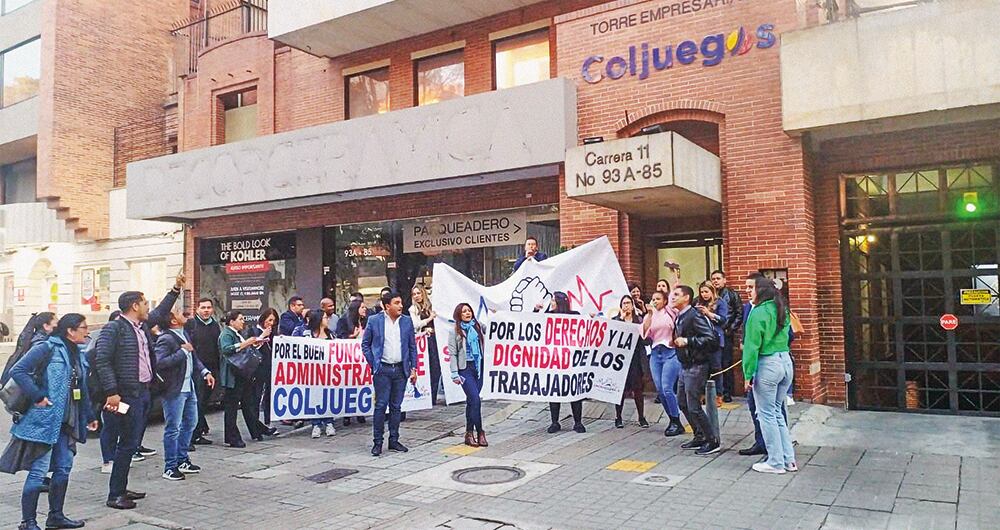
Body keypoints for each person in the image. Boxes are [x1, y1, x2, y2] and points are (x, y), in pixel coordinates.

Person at [94, 275, 183, 510]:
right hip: (125, 395)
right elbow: (102, 361)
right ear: (134, 306)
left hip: (143, 392)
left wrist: (175, 289)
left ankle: (121, 488)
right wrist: (111, 392)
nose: (147, 308)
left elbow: (161, 310)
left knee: (131, 443)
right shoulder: (114, 328)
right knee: (126, 443)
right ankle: (115, 495)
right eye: (144, 303)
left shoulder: (141, 326)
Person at [1, 314, 97, 530]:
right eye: (83, 327)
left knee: (63, 468)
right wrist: (37, 395)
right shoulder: (47, 348)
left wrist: (89, 415)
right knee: (38, 471)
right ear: (70, 331)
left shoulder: (78, 354)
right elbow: (18, 370)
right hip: (44, 421)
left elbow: (81, 388)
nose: (86, 331)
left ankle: (56, 517)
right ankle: (28, 522)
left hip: (67, 422)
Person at [743, 276, 796, 474]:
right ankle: (788, 459)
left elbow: (751, 346)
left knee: (765, 415)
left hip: (768, 364)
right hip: (785, 361)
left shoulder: (757, 312)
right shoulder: (781, 307)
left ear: (762, 290)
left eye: (752, 288)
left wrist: (748, 374)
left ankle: (774, 462)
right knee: (777, 413)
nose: (748, 292)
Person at [154, 309, 215, 481]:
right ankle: (170, 466)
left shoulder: (185, 334)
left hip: (189, 386)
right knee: (173, 427)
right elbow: (159, 363)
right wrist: (182, 352)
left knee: (191, 422)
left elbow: (194, 358)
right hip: (174, 389)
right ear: (173, 321)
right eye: (180, 313)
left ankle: (182, 459)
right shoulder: (166, 338)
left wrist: (204, 372)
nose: (184, 315)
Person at [361, 291, 418, 456]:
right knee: (380, 406)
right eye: (397, 303)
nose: (401, 306)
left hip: (401, 370)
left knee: (396, 406)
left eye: (401, 302)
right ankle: (377, 442)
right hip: (383, 370)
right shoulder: (374, 320)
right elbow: (365, 344)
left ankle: (394, 440)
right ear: (387, 306)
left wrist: (413, 368)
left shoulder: (406, 322)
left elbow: (412, 347)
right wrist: (374, 364)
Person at [671, 285, 721, 456]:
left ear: (686, 298)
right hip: (685, 364)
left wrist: (688, 340)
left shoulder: (694, 315)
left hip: (697, 365)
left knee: (694, 406)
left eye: (676, 294)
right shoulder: (680, 316)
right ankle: (699, 435)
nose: (672, 297)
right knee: (682, 403)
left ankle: (712, 440)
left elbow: (711, 339)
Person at [218, 310, 269, 448]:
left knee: (248, 404)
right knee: (231, 408)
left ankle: (256, 430)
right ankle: (232, 437)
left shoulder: (237, 334)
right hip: (232, 376)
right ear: (232, 321)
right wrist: (246, 343)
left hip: (241, 374)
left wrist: (257, 341)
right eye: (240, 319)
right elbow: (226, 349)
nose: (243, 322)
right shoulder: (226, 334)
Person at [642, 290, 683, 437]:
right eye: (653, 298)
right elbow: (644, 333)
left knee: (667, 388)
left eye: (658, 299)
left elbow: (675, 294)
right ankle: (672, 419)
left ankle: (676, 420)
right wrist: (650, 314)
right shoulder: (650, 315)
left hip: (670, 352)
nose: (655, 301)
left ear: (665, 301)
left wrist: (675, 276)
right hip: (655, 353)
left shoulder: (670, 312)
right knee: (660, 389)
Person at [545, 292, 585, 434]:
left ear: (559, 302)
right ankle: (554, 422)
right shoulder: (548, 315)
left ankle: (578, 422)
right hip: (554, 361)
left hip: (571, 362)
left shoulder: (575, 315)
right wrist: (536, 311)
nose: (551, 302)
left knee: (574, 390)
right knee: (554, 391)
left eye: (553, 300)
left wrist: (592, 320)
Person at [448, 302, 487, 447]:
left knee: (472, 402)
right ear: (459, 314)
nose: (467, 313)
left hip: (478, 367)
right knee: (475, 399)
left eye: (469, 311)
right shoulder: (455, 331)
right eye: (464, 311)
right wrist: (454, 373)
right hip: (465, 369)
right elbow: (452, 353)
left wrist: (496, 316)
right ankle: (480, 432)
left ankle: (469, 434)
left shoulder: (477, 326)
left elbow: (493, 329)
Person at [184, 298, 221, 446]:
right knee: (196, 402)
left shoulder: (214, 325)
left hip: (213, 368)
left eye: (209, 308)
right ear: (197, 309)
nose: (206, 310)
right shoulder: (191, 325)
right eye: (203, 308)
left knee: (204, 401)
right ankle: (191, 436)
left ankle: (199, 431)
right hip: (197, 369)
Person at [297, 309, 337, 438]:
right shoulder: (307, 335)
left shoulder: (331, 335)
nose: (327, 320)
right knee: (314, 397)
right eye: (325, 318)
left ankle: (329, 422)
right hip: (312, 373)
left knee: (328, 396)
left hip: (329, 372)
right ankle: (316, 424)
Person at [613, 295, 649, 429]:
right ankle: (618, 417)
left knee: (638, 389)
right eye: (624, 303)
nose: (626, 305)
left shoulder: (638, 320)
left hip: (635, 359)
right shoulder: (616, 320)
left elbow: (645, 339)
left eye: (628, 303)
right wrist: (621, 319)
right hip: (620, 360)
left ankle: (641, 417)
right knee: (620, 390)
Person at [711, 270, 743, 402]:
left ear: (724, 280)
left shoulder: (732, 294)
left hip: (726, 334)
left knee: (726, 363)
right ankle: (715, 392)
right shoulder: (710, 295)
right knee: (714, 363)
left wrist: (730, 329)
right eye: (713, 279)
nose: (715, 281)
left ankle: (727, 392)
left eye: (718, 278)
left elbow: (739, 313)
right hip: (711, 335)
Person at [695, 281, 729, 407]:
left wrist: (709, 314)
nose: (704, 294)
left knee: (716, 368)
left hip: (715, 339)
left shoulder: (720, 302)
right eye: (702, 292)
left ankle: (718, 395)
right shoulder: (697, 303)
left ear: (712, 291)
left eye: (706, 291)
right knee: (702, 368)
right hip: (701, 339)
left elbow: (724, 320)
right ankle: (702, 394)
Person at [335, 299, 368, 426]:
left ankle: (360, 411)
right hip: (348, 359)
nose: (365, 309)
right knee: (348, 385)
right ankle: (347, 414)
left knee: (361, 384)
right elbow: (339, 338)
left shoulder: (366, 321)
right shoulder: (344, 321)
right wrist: (351, 337)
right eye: (362, 307)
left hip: (362, 359)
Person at [2, 312, 57, 385]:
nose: (58, 326)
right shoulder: (40, 344)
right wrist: (37, 393)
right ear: (46, 326)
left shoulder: (35, 340)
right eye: (57, 323)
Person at [409, 284, 441, 405]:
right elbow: (416, 325)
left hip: (435, 339)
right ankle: (425, 395)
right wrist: (428, 320)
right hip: (423, 341)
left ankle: (433, 395)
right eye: (414, 294)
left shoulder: (432, 305)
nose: (417, 296)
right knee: (427, 367)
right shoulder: (413, 309)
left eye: (418, 293)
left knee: (436, 368)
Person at [249, 308, 279, 430]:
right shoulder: (254, 330)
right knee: (256, 395)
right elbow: (251, 347)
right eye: (269, 320)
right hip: (258, 368)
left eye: (274, 321)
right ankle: (255, 424)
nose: (271, 323)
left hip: (270, 366)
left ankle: (268, 421)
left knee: (269, 394)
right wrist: (262, 336)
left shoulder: (273, 333)